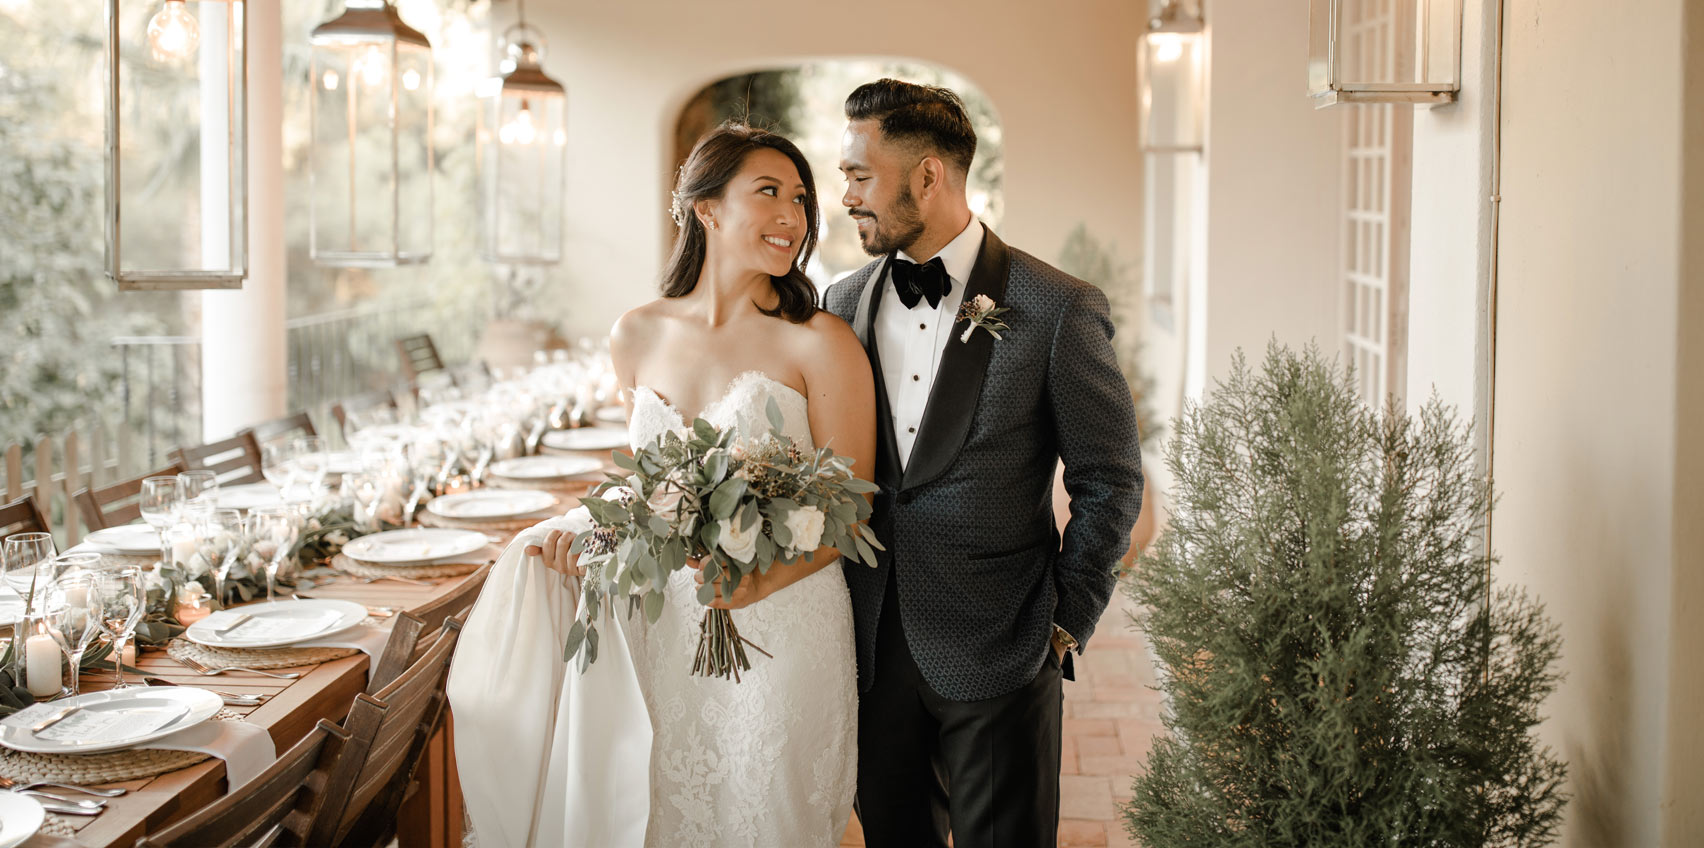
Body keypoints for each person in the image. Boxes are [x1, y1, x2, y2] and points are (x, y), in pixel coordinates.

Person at [452, 122, 876, 847]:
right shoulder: (636, 334)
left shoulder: (820, 341)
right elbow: (648, 491)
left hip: (785, 627)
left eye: (800, 198)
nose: (793, 217)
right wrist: (595, 536)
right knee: (663, 814)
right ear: (706, 209)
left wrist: (758, 584)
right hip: (665, 626)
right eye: (768, 192)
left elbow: (849, 509)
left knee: (768, 815)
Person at [822, 79, 1145, 847]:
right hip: (868, 649)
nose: (846, 197)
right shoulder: (839, 303)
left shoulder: (1056, 306)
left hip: (1002, 649)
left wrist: (1064, 624)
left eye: (859, 175)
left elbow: (1110, 480)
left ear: (928, 176)